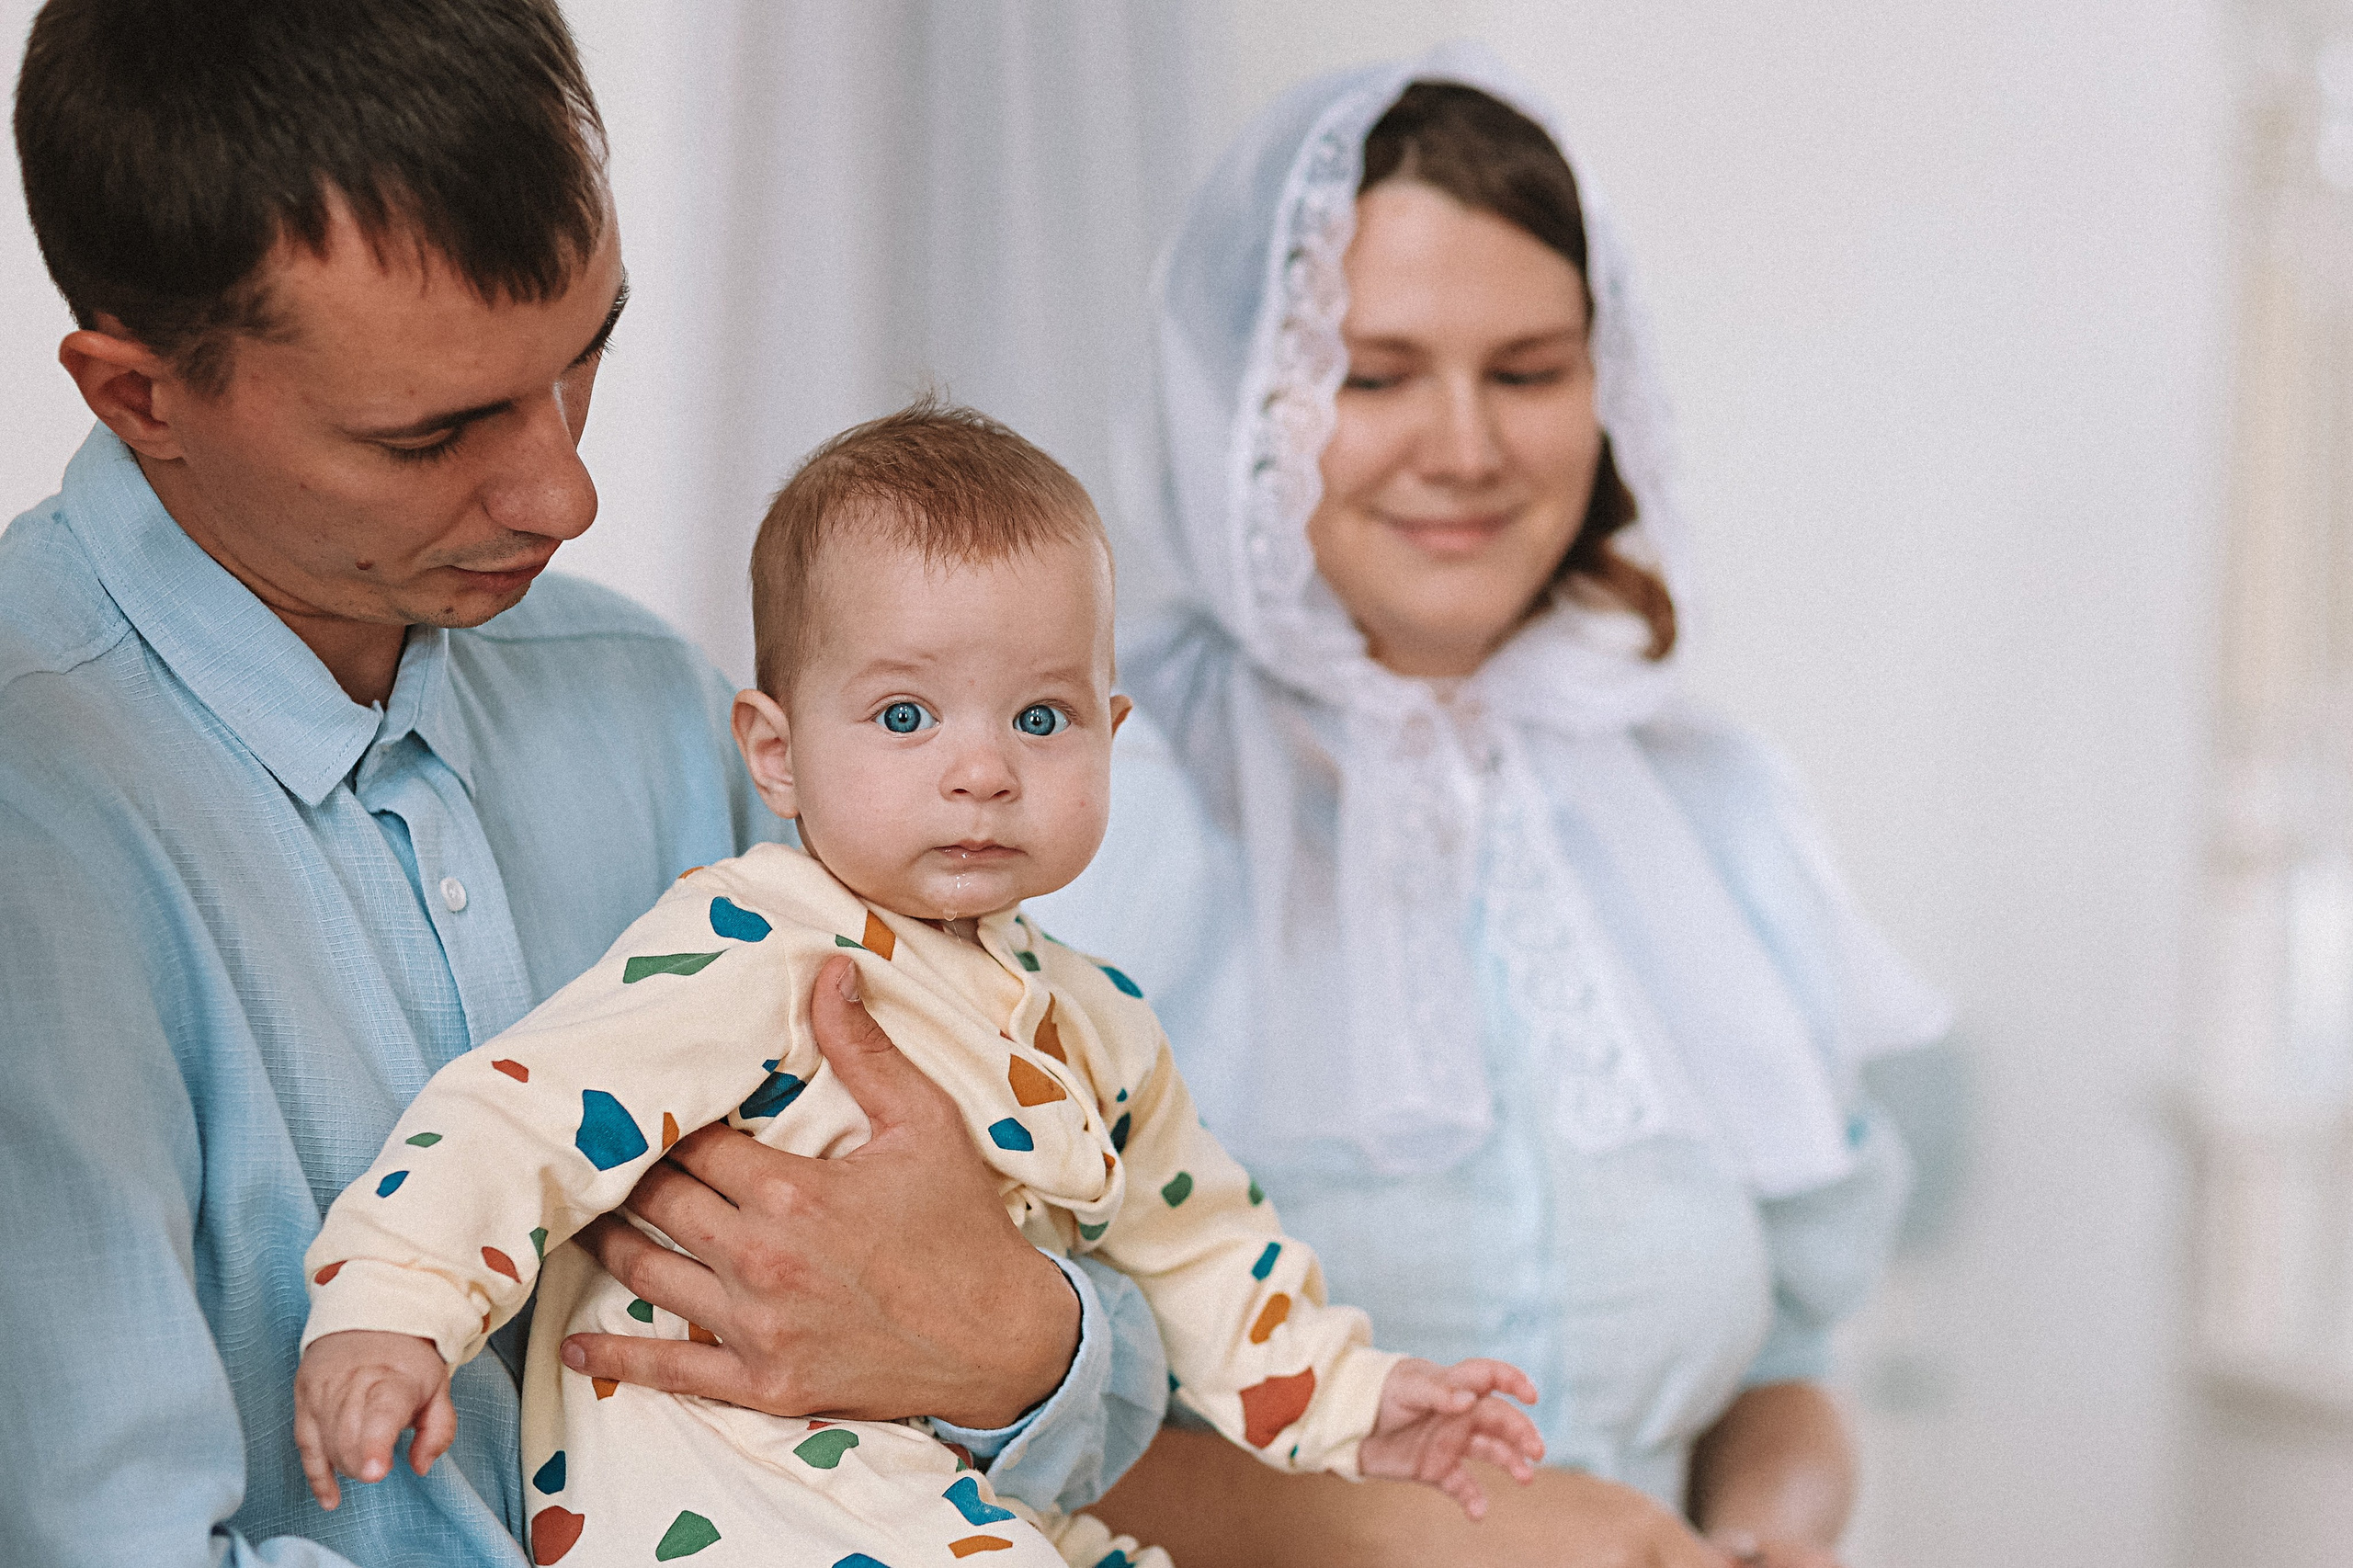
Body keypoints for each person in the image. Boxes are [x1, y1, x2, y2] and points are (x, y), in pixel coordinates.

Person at [0, 6, 1167, 1564]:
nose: (566, 491)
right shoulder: (38, 826)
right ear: (138, 395)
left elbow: (1091, 1265)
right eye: (436, 432)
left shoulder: (647, 698)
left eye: (587, 353)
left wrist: (1019, 1337)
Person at [292, 403, 1547, 1568]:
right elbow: (524, 1105)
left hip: (949, 1495)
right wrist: (390, 1305)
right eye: (905, 717)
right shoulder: (754, 940)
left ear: (1113, 733)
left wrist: (1356, 1406)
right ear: (776, 753)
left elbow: (1203, 1246)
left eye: (1042, 720)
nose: (981, 770)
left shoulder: (1099, 1020)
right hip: (743, 1505)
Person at [1031, 46, 1952, 1568]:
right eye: (1377, 375)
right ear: (1239, 402)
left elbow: (1788, 1365)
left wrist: (1761, 1536)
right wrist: (1439, 1537)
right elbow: (964, 1408)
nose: (1464, 446)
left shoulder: (1722, 814)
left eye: (1527, 371)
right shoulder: (1082, 813)